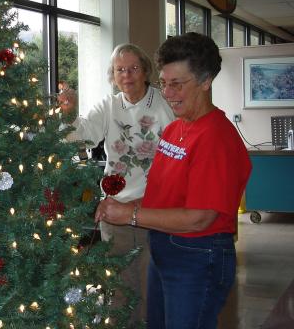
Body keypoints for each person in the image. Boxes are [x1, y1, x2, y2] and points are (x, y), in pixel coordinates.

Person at [95, 32, 252, 328]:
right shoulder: (175, 128)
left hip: (197, 256)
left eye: (177, 84)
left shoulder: (215, 137)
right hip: (164, 247)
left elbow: (200, 218)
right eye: (164, 83)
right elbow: (165, 196)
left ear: (206, 82)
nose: (167, 93)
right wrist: (126, 204)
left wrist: (130, 213)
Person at [59, 43, 174, 323]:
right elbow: (81, 135)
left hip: (153, 210)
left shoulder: (163, 104)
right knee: (120, 286)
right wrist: (67, 113)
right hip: (115, 210)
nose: (127, 75)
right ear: (113, 75)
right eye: (120, 69)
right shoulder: (109, 106)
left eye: (133, 68)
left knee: (152, 284)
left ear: (146, 71)